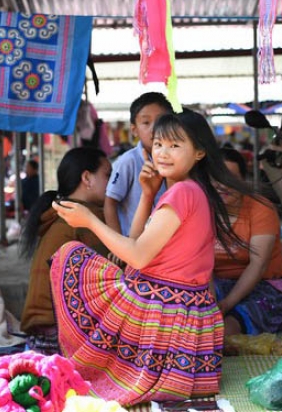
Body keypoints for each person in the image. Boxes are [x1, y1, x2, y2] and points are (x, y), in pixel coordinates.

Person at [50, 110, 257, 405]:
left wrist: (90, 221)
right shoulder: (191, 190)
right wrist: (147, 195)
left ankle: (99, 359)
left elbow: (136, 256)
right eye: (158, 144)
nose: (163, 153)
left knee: (71, 257)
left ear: (199, 152)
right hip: (189, 317)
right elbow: (135, 245)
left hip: (163, 314)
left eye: (175, 146)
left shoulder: (182, 193)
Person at [18, 148, 112, 352]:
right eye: (108, 175)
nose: (113, 183)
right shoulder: (83, 219)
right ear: (87, 178)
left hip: (38, 336)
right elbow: (116, 275)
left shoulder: (61, 214)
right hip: (58, 337)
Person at [214, 148, 282, 336]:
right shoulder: (201, 207)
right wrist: (211, 305)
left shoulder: (261, 208)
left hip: (265, 286)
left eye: (231, 178)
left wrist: (225, 305)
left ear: (243, 181)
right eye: (217, 178)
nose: (222, 185)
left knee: (230, 326)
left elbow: (258, 266)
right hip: (217, 286)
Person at [104, 92, 174, 236]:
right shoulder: (128, 162)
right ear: (134, 130)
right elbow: (110, 203)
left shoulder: (176, 158)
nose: (154, 128)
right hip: (134, 244)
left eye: (161, 121)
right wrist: (117, 244)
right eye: (146, 123)